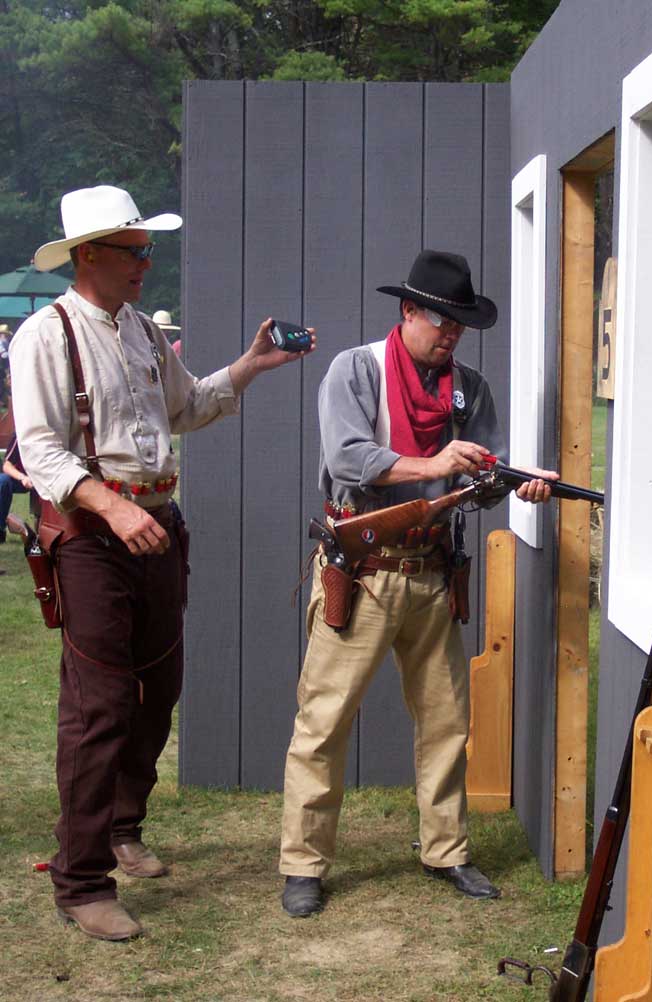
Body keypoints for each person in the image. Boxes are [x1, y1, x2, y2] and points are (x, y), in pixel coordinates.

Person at [9, 184, 315, 942]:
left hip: (157, 529)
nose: (147, 261)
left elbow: (186, 408)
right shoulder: (45, 336)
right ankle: (81, 881)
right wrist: (112, 508)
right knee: (99, 706)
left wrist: (251, 364)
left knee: (158, 691)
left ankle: (121, 827)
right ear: (88, 257)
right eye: (133, 249)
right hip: (90, 537)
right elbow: (39, 450)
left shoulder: (144, 331)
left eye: (147, 248)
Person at [279, 249, 556, 918]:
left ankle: (446, 849)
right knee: (323, 722)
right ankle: (304, 864)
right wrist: (433, 461)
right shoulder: (357, 369)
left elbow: (477, 487)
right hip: (364, 570)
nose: (451, 334)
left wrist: (516, 486)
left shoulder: (470, 389)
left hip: (432, 573)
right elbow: (348, 459)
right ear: (408, 312)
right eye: (442, 320)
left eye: (460, 323)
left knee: (446, 722)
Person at [0, 431, 33, 543]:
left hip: (47, 477)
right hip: (25, 479)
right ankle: (0, 529)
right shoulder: (20, 434)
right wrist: (23, 477)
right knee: (3, 481)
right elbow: (7, 466)